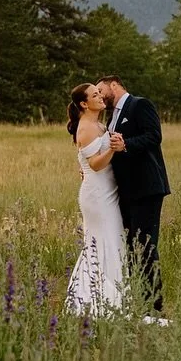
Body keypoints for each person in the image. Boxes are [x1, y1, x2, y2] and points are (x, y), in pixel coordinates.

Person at [96, 75, 171, 321]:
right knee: (131, 249)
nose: (99, 94)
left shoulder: (139, 105)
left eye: (100, 89)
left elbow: (154, 136)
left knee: (146, 246)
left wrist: (126, 144)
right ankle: (139, 301)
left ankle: (154, 308)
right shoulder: (111, 116)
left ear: (113, 85)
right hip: (126, 192)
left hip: (147, 188)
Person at [64, 83, 125, 315]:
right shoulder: (86, 127)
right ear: (83, 103)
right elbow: (94, 165)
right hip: (98, 196)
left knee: (111, 239)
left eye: (100, 93)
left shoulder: (99, 124)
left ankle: (112, 294)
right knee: (103, 240)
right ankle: (96, 299)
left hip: (107, 190)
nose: (100, 97)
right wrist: (113, 149)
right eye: (94, 95)